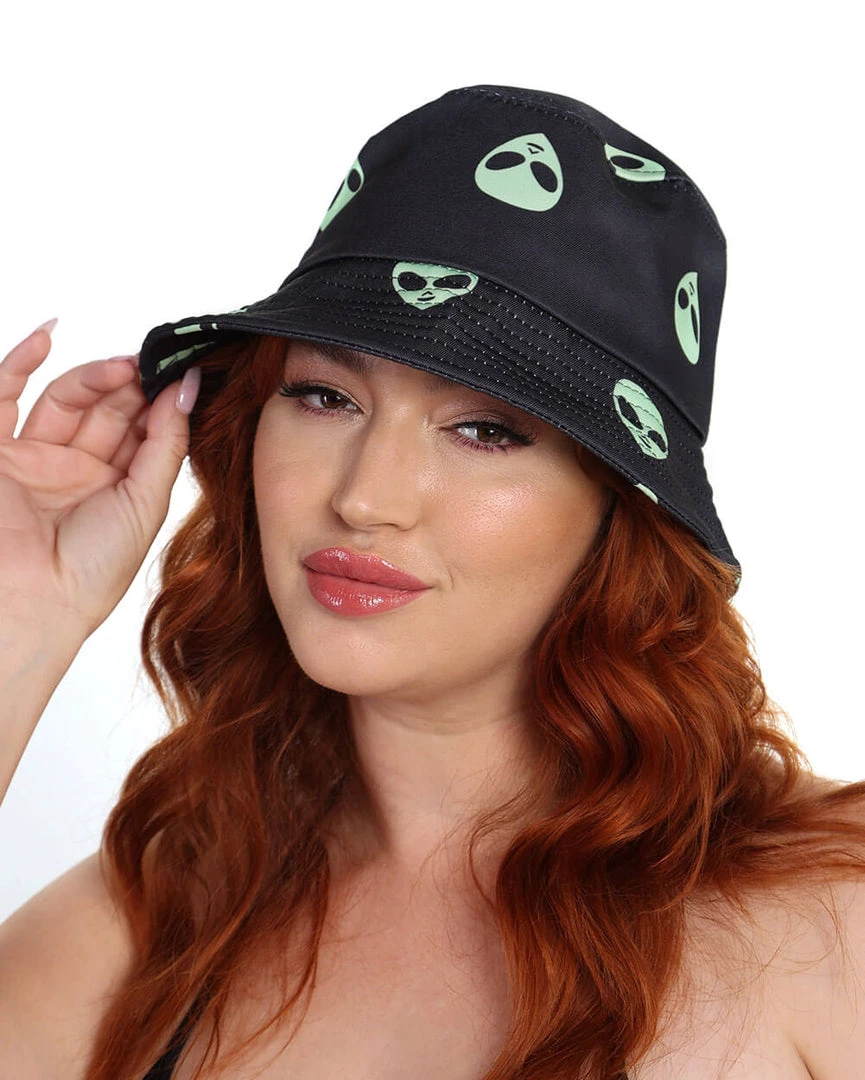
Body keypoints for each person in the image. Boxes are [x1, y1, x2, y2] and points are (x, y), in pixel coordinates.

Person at [1, 84, 864, 1080]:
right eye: (324, 396)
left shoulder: (828, 911)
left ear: (618, 513)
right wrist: (20, 617)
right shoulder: (151, 924)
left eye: (485, 429)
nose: (365, 498)